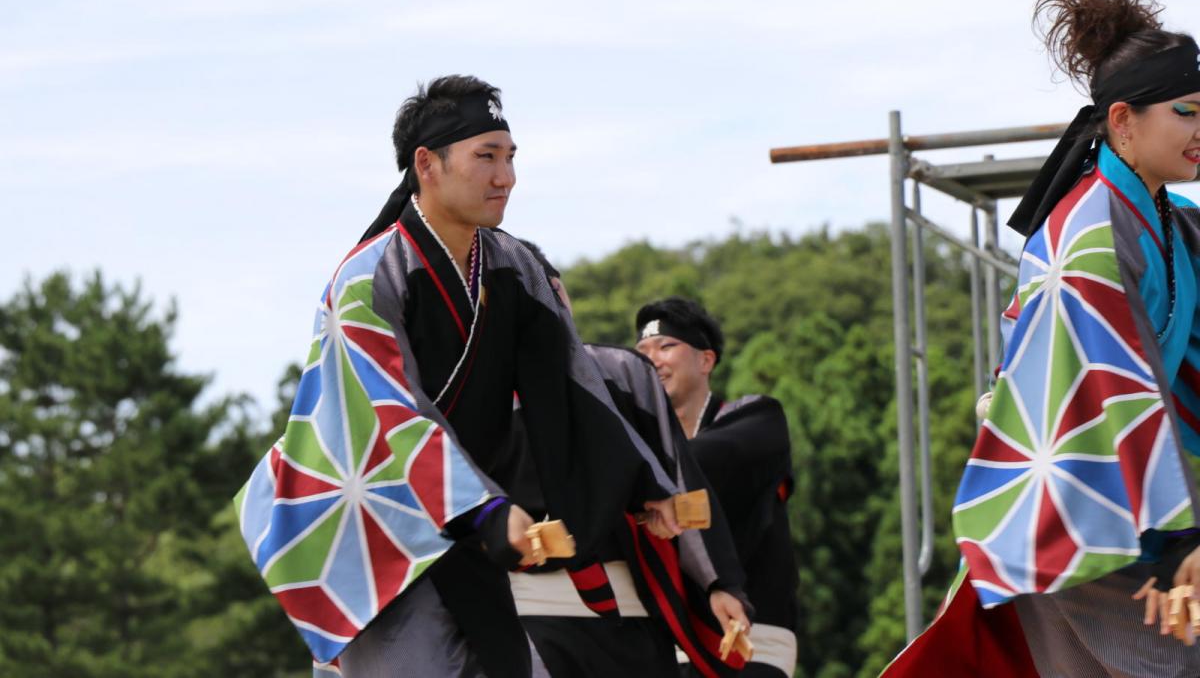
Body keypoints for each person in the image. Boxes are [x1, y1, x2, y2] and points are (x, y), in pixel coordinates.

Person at [235, 76, 682, 677]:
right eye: (486, 157)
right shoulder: (366, 280)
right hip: (375, 530)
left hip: (458, 520)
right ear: (428, 164)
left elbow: (571, 378)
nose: (506, 177)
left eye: (510, 157)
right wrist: (485, 512)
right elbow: (391, 412)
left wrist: (639, 482)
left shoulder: (512, 264)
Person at [884, 0, 1200, 677]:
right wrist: (1181, 536)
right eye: (1186, 111)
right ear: (1122, 120)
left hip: (1128, 500)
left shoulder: (1169, 224)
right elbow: (1106, 388)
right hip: (1082, 498)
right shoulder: (1088, 230)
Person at [512, 242, 753, 678]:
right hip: (525, 610)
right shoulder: (472, 392)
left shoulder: (623, 372)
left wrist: (719, 582)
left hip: (624, 608)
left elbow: (683, 488)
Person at [635, 297, 799, 678]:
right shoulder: (641, 446)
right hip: (666, 641)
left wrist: (638, 479)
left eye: (666, 346)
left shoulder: (758, 418)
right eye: (641, 352)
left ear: (706, 361)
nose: (651, 360)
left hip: (753, 636)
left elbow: (709, 460)